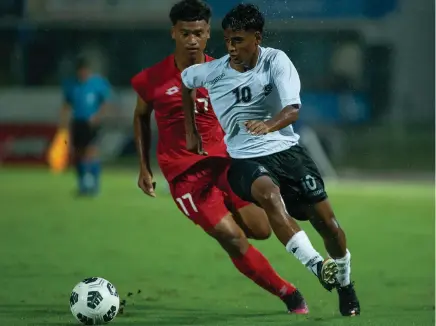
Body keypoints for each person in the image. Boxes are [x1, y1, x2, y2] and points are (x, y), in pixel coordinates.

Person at [131, 0, 336, 315]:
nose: (193, 40)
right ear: (174, 32)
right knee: (233, 238)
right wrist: (144, 167)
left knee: (262, 229)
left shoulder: (222, 70)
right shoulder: (153, 78)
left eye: (199, 33)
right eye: (185, 33)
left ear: (207, 32)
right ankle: (290, 295)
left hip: (227, 164)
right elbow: (141, 117)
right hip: (186, 177)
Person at [181, 3, 360, 317]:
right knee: (269, 195)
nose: (231, 48)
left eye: (239, 40)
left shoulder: (276, 61)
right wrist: (191, 128)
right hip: (244, 160)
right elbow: (185, 80)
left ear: (257, 37)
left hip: (288, 153)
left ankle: (345, 285)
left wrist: (268, 125)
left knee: (328, 224)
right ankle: (318, 266)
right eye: (227, 40)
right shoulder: (212, 72)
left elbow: (293, 109)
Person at [60, 56, 111, 196]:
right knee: (78, 153)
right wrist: (64, 123)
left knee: (91, 152)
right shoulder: (72, 85)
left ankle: (94, 185)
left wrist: (97, 116)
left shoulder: (97, 84)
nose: (82, 74)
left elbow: (106, 103)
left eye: (84, 71)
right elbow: (66, 104)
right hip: (77, 122)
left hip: (92, 123)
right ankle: (82, 183)